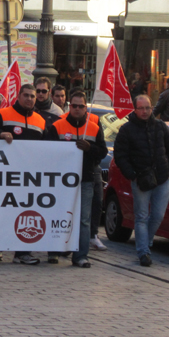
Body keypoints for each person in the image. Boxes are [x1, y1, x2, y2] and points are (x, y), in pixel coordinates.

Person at [0, 83, 46, 264]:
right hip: (5, 175)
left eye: (33, 96)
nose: (30, 99)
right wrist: (1, 134)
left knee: (27, 213)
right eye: (26, 95)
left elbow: (49, 147)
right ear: (18, 96)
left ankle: (22, 253)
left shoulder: (40, 121)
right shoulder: (4, 114)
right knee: (2, 211)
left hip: (29, 179)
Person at [113, 94, 169, 267]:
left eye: (148, 107)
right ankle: (143, 252)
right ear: (135, 109)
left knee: (157, 216)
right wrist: (132, 174)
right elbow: (120, 155)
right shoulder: (126, 130)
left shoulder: (161, 127)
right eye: (141, 108)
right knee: (141, 216)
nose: (145, 111)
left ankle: (146, 243)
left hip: (162, 179)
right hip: (141, 179)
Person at [47, 90, 108, 268]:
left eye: (81, 106)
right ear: (69, 106)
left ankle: (81, 256)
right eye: (74, 106)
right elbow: (48, 152)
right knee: (57, 215)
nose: (77, 109)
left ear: (86, 108)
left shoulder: (94, 128)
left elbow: (102, 153)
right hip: (60, 181)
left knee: (83, 219)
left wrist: (90, 148)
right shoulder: (57, 126)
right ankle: (54, 252)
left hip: (85, 179)